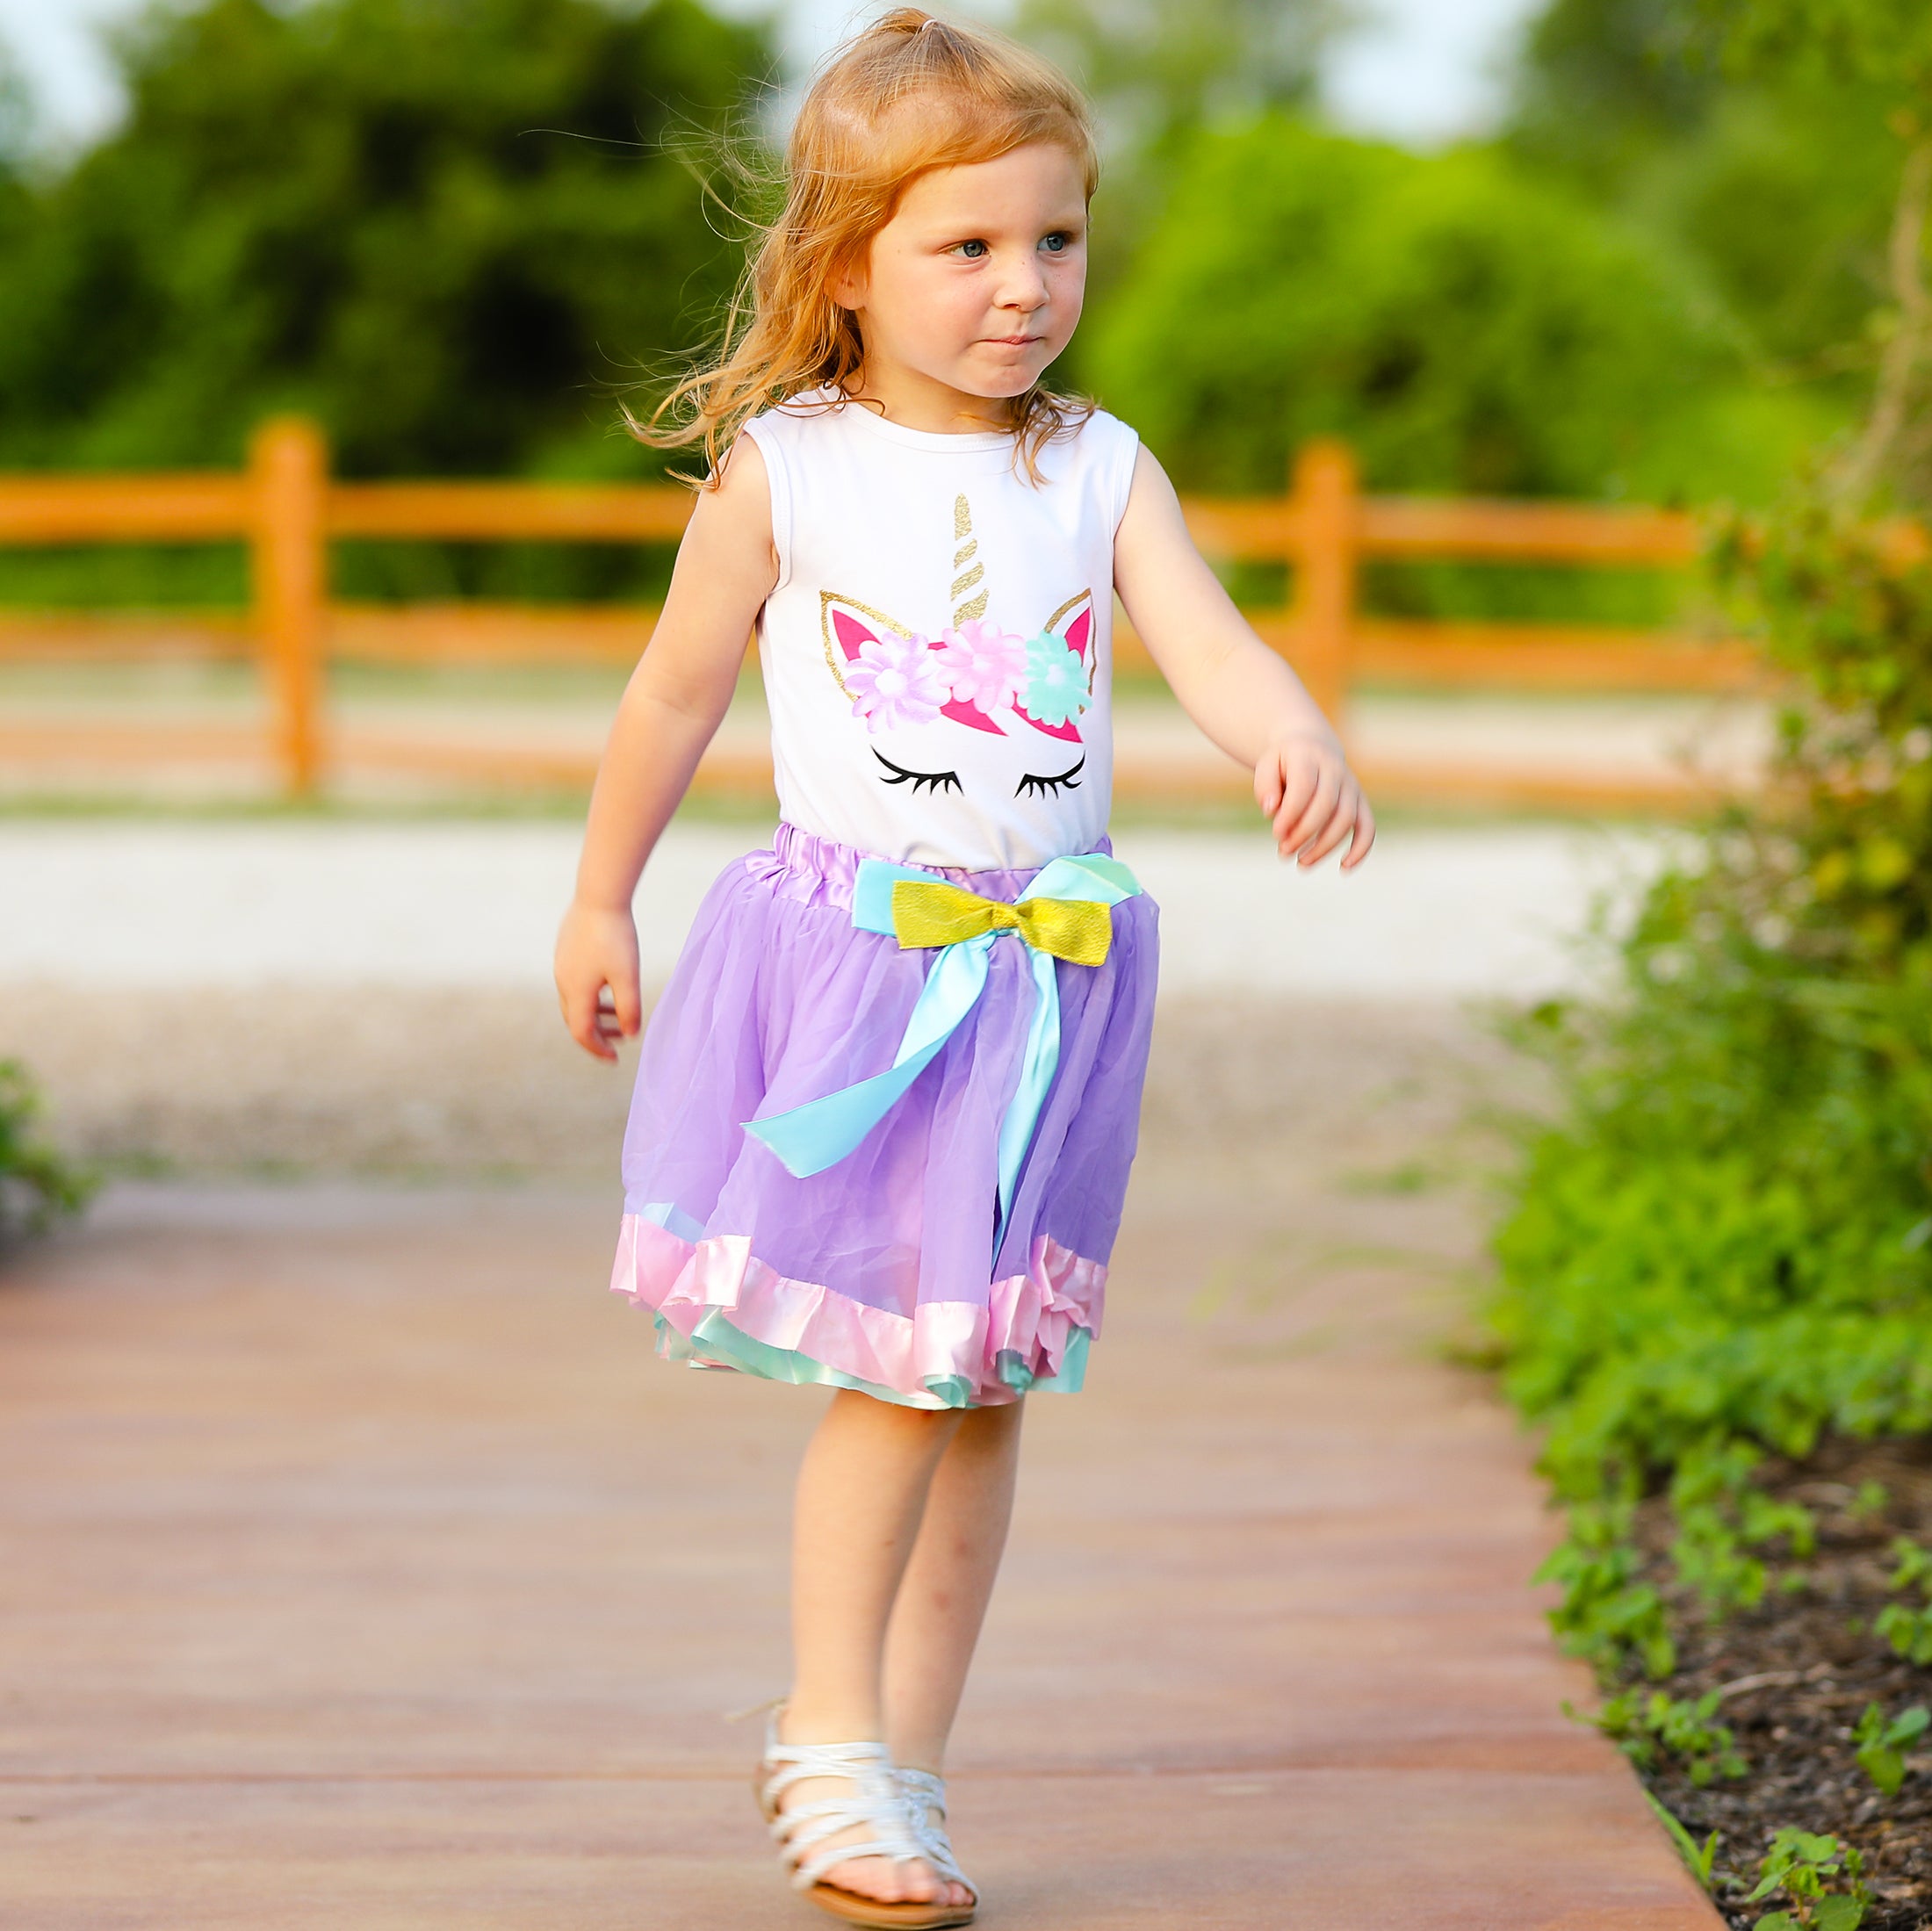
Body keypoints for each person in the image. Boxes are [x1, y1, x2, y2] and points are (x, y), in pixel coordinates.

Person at [554, 9, 1373, 1926]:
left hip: (1047, 976)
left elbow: (1207, 637)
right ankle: (830, 1737)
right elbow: (670, 693)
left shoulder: (1096, 466)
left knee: (984, 1377)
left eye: (1055, 240)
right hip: (869, 969)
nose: (1024, 286)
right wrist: (600, 899)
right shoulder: (788, 471)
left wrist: (1288, 725)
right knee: (902, 1376)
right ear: (847, 265)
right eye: (969, 246)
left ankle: (899, 1773)